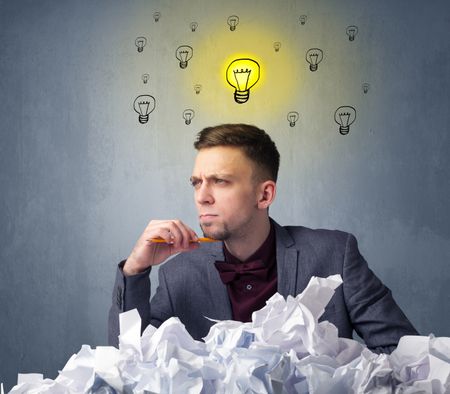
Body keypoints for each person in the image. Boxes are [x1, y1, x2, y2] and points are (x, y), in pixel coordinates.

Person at [108, 123, 418, 353]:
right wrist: (135, 270)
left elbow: (403, 355)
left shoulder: (336, 254)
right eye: (196, 182)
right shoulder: (178, 273)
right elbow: (131, 363)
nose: (202, 196)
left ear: (264, 194)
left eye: (220, 181)